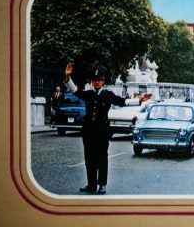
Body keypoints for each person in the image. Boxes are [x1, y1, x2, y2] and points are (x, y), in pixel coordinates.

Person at [64, 63, 151, 194]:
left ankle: (102, 184)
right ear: (92, 81)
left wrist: (139, 101)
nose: (96, 82)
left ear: (103, 81)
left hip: (102, 131)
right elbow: (75, 91)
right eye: (94, 80)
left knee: (102, 158)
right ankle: (92, 184)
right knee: (89, 158)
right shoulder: (88, 94)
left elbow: (123, 101)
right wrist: (67, 77)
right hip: (88, 131)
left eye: (99, 80)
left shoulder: (108, 95)